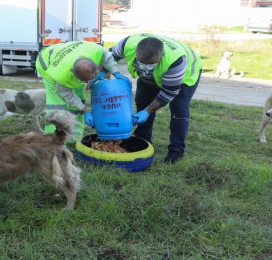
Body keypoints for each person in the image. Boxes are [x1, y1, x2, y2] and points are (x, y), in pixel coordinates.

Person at [109, 33, 203, 164]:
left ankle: (176, 150)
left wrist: (147, 111)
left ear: (161, 55)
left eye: (151, 64)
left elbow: (168, 93)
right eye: (142, 63)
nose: (146, 68)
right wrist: (103, 73)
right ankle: (142, 139)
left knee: (178, 109)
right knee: (142, 102)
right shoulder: (127, 44)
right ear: (136, 52)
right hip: (154, 76)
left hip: (186, 77)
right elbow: (108, 58)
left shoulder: (176, 61)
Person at [35, 40, 122, 142]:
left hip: (67, 57)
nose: (86, 83)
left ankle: (74, 138)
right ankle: (54, 141)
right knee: (57, 104)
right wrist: (85, 111)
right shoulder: (62, 75)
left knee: (79, 95)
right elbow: (68, 95)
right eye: (83, 80)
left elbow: (108, 58)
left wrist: (116, 73)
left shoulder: (95, 51)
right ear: (73, 72)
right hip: (46, 64)